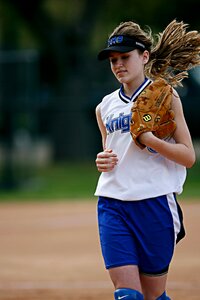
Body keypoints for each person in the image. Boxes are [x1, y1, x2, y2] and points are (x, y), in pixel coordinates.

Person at [94, 19, 200, 300]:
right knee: (128, 295)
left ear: (144, 56)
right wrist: (102, 161)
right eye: (113, 60)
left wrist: (150, 139)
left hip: (155, 203)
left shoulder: (167, 97)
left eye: (125, 57)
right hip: (113, 203)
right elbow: (110, 152)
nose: (118, 65)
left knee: (154, 295)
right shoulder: (104, 107)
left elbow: (189, 156)